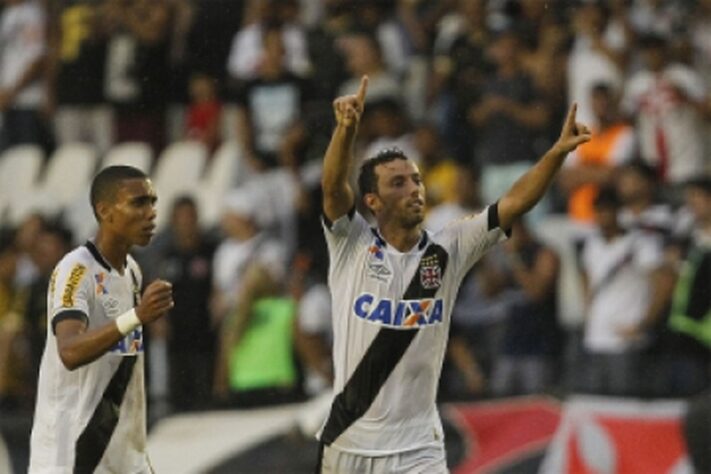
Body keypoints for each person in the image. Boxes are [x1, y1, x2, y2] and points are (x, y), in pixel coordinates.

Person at [316, 75, 591, 473]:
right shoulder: (351, 246)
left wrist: (556, 154)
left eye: (416, 180)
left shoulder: (449, 248)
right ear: (373, 201)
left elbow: (513, 203)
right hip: (350, 442)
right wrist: (345, 130)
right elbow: (332, 190)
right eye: (399, 183)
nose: (415, 189)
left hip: (417, 448)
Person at [28, 165, 174, 473]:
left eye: (152, 201)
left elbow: (121, 365)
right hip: (72, 454)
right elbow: (68, 351)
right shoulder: (75, 271)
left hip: (120, 453)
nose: (151, 213)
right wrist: (137, 316)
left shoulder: (132, 271)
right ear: (105, 211)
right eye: (138, 203)